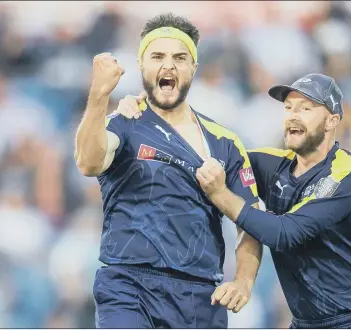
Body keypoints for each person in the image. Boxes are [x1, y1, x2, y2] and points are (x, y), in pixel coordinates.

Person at [74, 13, 262, 328]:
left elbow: (251, 222)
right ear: (141, 65)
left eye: (179, 57)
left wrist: (243, 282)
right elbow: (88, 162)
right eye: (157, 56)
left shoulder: (225, 142)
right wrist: (99, 96)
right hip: (129, 285)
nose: (168, 66)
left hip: (200, 296)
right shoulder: (124, 122)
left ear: (194, 68)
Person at [194, 73, 351, 328]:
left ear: (332, 121)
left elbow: (285, 233)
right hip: (305, 323)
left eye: (305, 108)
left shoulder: (348, 173)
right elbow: (208, 150)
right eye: (288, 107)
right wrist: (148, 109)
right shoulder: (272, 164)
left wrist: (220, 195)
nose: (292, 114)